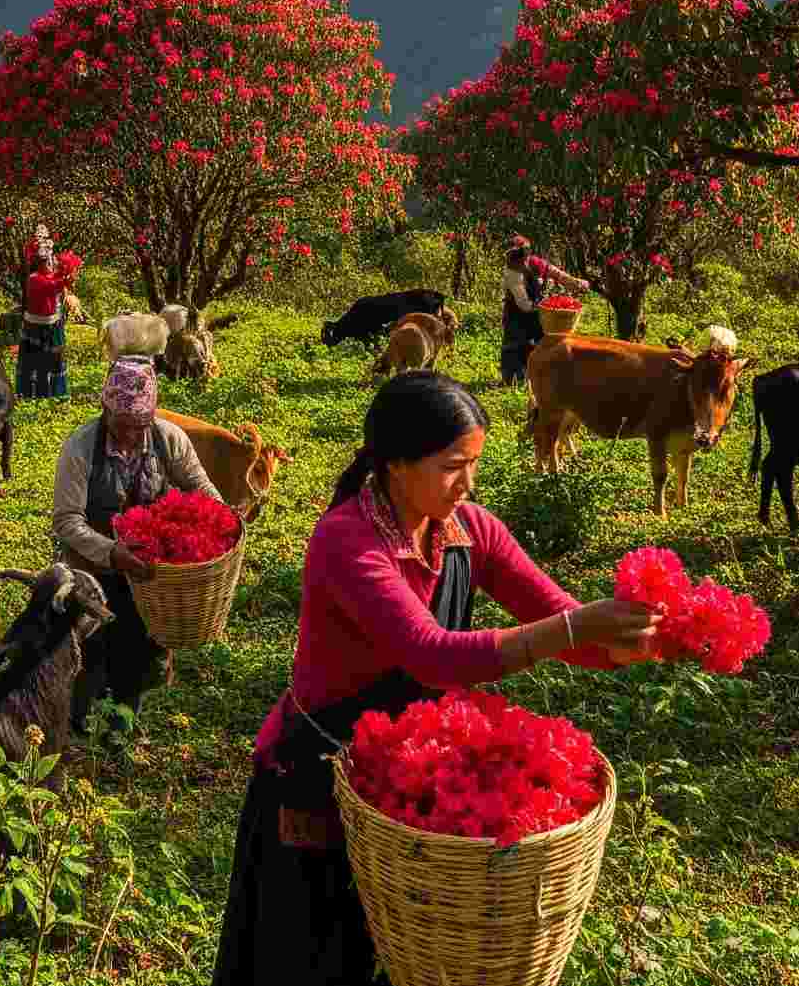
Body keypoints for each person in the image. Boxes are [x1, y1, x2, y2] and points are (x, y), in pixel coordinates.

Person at [211, 372, 661, 986]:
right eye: (453, 465)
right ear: (396, 463)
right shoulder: (347, 540)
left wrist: (629, 643)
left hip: (405, 783)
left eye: (473, 464)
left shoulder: (471, 531)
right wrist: (580, 628)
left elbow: (555, 617)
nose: (468, 484)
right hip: (321, 775)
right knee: (313, 950)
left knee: (406, 954)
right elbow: (435, 656)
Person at [52, 357, 230, 732]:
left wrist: (226, 518)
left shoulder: (168, 439)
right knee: (91, 655)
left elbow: (200, 487)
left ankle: (122, 727)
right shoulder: (80, 448)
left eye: (140, 426)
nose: (132, 435)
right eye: (123, 425)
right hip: (94, 571)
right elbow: (67, 521)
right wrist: (111, 552)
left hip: (150, 578)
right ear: (106, 410)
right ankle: (79, 728)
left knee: (141, 656)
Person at [498, 236, 589, 387]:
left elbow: (556, 274)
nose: (519, 260)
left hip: (537, 313)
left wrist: (575, 283)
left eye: (522, 256)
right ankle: (513, 380)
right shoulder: (512, 273)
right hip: (517, 314)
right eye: (515, 257)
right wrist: (544, 306)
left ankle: (541, 376)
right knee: (515, 346)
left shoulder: (535, 263)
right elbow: (523, 304)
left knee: (542, 345)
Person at [18, 246, 82, 401]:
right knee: (37, 362)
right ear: (42, 264)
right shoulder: (34, 279)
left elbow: (57, 280)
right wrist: (68, 277)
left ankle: (55, 394)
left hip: (51, 325)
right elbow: (53, 286)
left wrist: (68, 270)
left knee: (52, 361)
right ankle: (33, 395)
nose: (52, 265)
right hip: (37, 327)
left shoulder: (48, 276)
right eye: (50, 262)